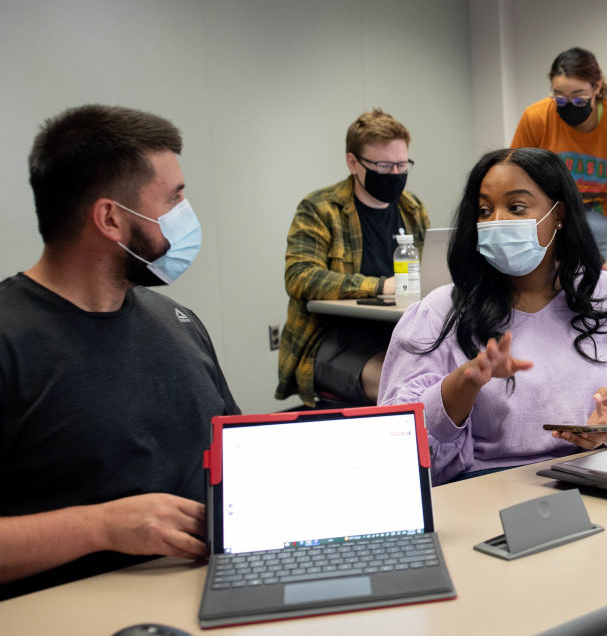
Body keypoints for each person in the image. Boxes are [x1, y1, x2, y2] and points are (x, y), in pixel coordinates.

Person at [0, 104, 240, 600]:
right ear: (110, 218)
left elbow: (235, 457)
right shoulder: (10, 341)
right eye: (173, 199)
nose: (185, 216)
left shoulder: (176, 322)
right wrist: (100, 527)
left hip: (212, 599)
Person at [377, 147, 607, 485]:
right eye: (484, 210)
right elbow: (399, 440)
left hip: (596, 477)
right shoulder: (440, 311)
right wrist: (465, 382)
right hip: (486, 488)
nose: (496, 222)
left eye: (516, 207)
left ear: (559, 214)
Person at [276, 109, 429, 408]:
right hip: (330, 340)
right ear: (353, 162)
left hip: (397, 334)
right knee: (400, 386)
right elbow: (300, 277)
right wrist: (380, 286)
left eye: (402, 164)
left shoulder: (412, 208)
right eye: (384, 166)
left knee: (449, 376)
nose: (396, 175)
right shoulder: (321, 208)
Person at [511, 48, 607, 269]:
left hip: (605, 218)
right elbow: (517, 179)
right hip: (552, 215)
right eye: (560, 97)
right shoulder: (536, 118)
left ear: (597, 87)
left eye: (579, 97)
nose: (569, 104)